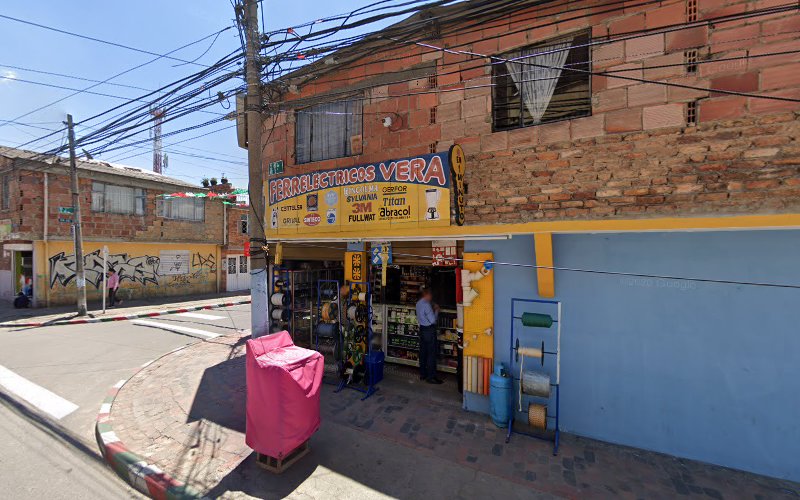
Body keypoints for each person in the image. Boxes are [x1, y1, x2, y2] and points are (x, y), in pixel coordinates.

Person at [416, 286, 443, 384]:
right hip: (429, 331)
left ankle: (423, 374)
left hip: (422, 329)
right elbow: (432, 321)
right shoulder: (427, 305)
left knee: (423, 353)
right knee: (431, 354)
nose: (431, 297)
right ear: (426, 295)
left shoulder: (418, 303)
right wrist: (436, 311)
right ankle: (431, 377)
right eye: (430, 295)